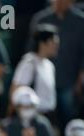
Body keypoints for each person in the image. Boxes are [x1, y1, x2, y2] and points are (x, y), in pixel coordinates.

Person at [29, 0, 84, 129]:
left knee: (69, 116)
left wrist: (81, 76)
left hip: (69, 79)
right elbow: (31, 49)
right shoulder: (41, 19)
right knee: (45, 120)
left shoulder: (80, 21)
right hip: (44, 81)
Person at [11, 24, 58, 119]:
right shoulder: (29, 64)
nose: (56, 46)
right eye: (53, 42)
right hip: (32, 116)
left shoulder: (49, 65)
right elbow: (16, 91)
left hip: (49, 115)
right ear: (42, 43)